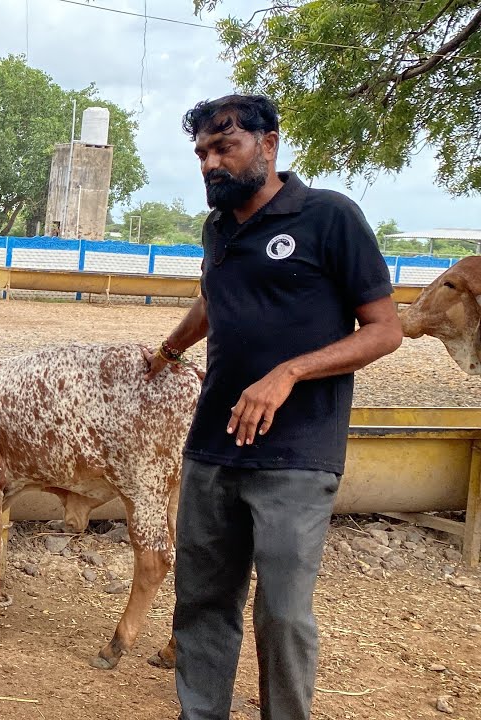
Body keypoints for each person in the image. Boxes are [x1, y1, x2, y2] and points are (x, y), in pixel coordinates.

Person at [144, 94, 403, 720]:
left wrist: (288, 372)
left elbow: (385, 329)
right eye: (202, 153)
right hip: (212, 446)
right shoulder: (217, 229)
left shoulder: (329, 217)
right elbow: (213, 300)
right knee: (202, 600)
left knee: (282, 612)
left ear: (269, 143)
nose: (210, 163)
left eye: (223, 146)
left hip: (298, 453)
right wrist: (169, 349)